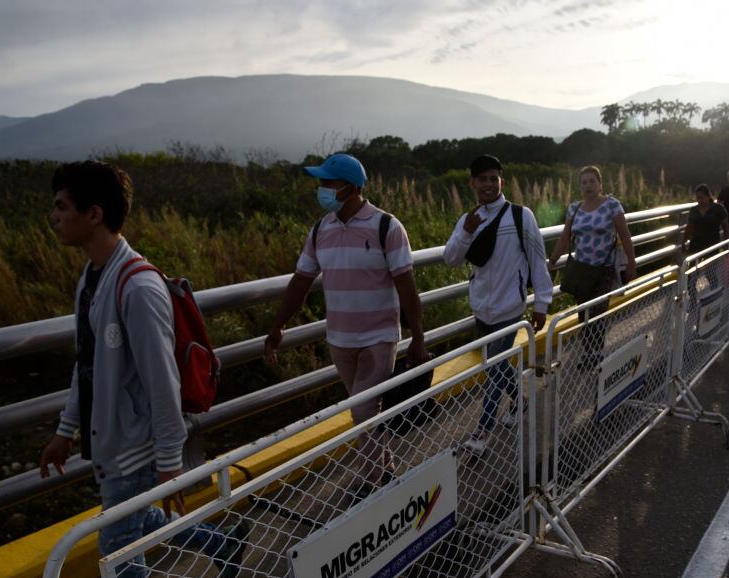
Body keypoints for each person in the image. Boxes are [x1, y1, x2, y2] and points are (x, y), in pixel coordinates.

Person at [38, 161, 248, 578]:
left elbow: (163, 385)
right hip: (106, 439)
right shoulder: (91, 277)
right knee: (130, 525)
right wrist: (67, 430)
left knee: (118, 548)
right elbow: (87, 365)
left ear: (94, 214)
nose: (54, 217)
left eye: (62, 207)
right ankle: (222, 543)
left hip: (132, 444)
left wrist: (169, 464)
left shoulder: (137, 287)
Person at [266, 153, 428, 499]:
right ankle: (384, 467)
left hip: (379, 336)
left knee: (362, 407)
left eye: (328, 183)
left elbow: (407, 286)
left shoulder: (387, 226)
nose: (322, 189)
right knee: (366, 409)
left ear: (352, 188)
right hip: (340, 338)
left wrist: (418, 337)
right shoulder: (320, 229)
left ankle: (372, 482)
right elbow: (300, 281)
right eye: (321, 182)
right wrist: (278, 325)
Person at [443, 154, 553, 456]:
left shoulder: (520, 216)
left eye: (494, 178)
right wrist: (466, 231)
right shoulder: (468, 220)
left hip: (510, 307)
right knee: (498, 363)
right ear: (473, 183)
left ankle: (480, 434)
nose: (489, 184)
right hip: (481, 308)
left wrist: (542, 302)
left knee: (493, 369)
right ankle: (521, 399)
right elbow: (451, 259)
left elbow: (536, 258)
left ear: (501, 181)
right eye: (483, 179)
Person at [547, 165, 638, 363]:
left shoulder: (612, 205)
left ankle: (595, 354)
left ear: (600, 184)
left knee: (597, 312)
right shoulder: (575, 208)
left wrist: (632, 262)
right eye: (584, 182)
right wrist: (552, 261)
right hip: (581, 269)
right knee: (583, 312)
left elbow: (625, 235)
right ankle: (589, 352)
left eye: (592, 181)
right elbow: (565, 238)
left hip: (603, 269)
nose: (588, 185)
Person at [684, 184, 729, 296]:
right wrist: (683, 241)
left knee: (711, 274)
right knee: (691, 276)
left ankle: (714, 296)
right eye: (697, 198)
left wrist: (726, 243)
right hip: (695, 246)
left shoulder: (718, 209)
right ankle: (693, 299)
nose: (699, 200)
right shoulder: (694, 210)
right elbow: (689, 226)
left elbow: (726, 226)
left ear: (708, 196)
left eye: (701, 197)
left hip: (711, 246)